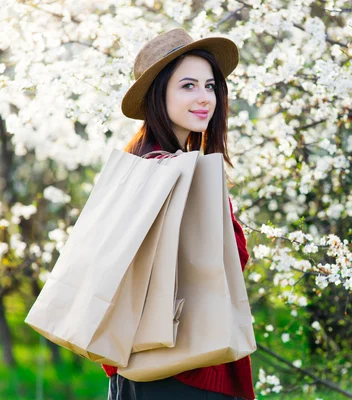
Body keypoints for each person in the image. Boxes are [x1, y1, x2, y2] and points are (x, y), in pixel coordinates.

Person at [102, 28, 255, 400]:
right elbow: (229, 258)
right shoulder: (167, 173)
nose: (205, 98)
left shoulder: (142, 164)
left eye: (210, 86)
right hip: (182, 374)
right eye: (188, 86)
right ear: (159, 94)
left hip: (149, 369)